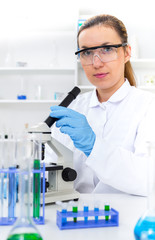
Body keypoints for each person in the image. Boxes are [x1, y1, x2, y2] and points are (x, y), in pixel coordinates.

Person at [46, 14, 155, 196]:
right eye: (87, 52)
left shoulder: (148, 106)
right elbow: (51, 166)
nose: (96, 63)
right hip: (73, 216)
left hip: (126, 219)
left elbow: (148, 179)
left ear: (127, 52)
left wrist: (93, 146)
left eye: (106, 49)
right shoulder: (73, 108)